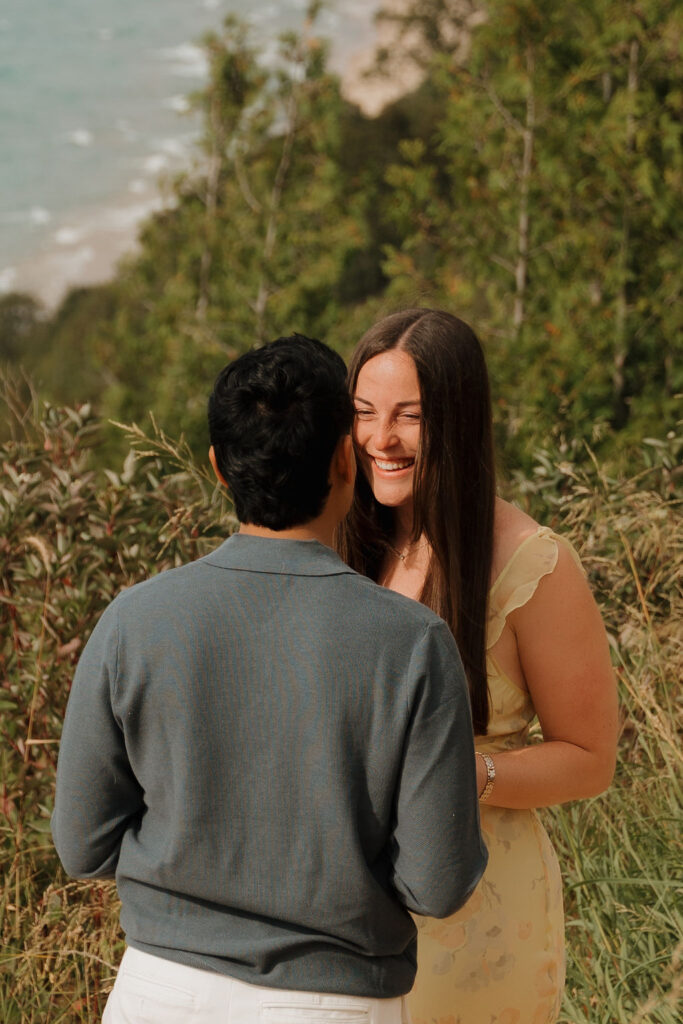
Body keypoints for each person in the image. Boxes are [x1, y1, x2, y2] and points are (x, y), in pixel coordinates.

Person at [51, 333, 488, 1024]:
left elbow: (81, 844)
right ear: (345, 457)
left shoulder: (133, 620)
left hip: (156, 991)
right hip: (335, 1001)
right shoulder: (412, 643)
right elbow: (436, 883)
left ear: (218, 469)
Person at [339, 308, 618, 1024]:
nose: (381, 439)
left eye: (409, 417)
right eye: (364, 413)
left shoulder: (533, 565)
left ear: (458, 422)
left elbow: (591, 759)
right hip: (347, 910)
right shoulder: (345, 539)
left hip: (479, 914)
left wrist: (475, 775)